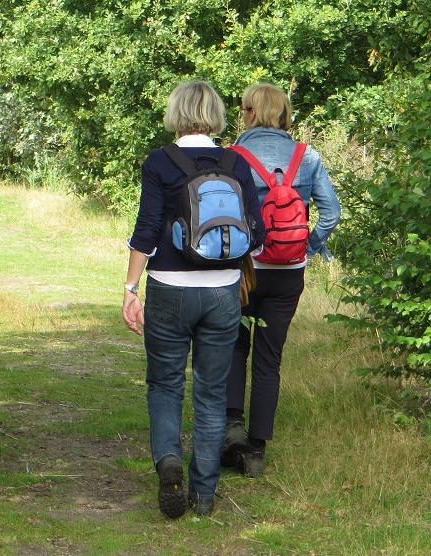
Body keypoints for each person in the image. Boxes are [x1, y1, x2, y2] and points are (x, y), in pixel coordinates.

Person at [122, 80, 264, 518]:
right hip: (222, 292)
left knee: (165, 383)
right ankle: (204, 495)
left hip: (167, 287)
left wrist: (130, 288)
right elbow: (256, 236)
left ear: (176, 113)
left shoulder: (160, 162)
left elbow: (146, 231)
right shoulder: (236, 163)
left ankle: (168, 464)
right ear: (218, 115)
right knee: (211, 391)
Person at [222, 82, 341, 477]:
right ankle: (256, 451)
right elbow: (332, 213)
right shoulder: (307, 158)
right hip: (288, 273)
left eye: (243, 109)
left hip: (244, 270)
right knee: (270, 357)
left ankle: (231, 429)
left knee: (237, 347)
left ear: (252, 112)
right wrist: (307, 247)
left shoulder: (233, 156)